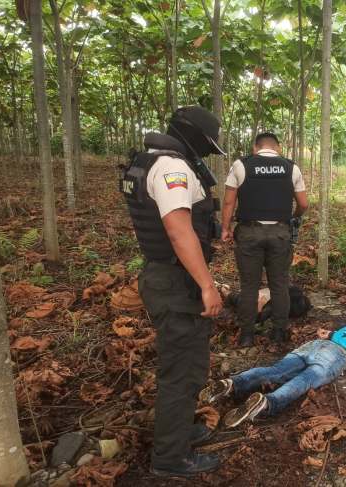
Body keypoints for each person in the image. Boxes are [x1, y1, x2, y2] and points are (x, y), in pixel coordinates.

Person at [120, 105, 225, 477]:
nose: (208, 154)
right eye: (208, 146)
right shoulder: (172, 168)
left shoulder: (146, 161)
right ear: (194, 137)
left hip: (164, 275)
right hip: (176, 281)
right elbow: (180, 231)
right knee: (183, 371)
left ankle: (178, 434)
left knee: (186, 365)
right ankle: (170, 458)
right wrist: (207, 286)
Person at [201, 321, 346, 426]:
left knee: (276, 370)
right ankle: (268, 403)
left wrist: (332, 335)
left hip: (313, 346)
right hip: (336, 354)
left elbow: (336, 335)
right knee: (306, 379)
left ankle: (233, 383)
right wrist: (336, 337)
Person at [220, 133, 308, 348]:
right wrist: (293, 217)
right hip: (280, 233)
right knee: (279, 284)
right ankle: (279, 332)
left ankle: (247, 335)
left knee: (249, 286)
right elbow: (304, 204)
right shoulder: (291, 167)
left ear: (255, 148)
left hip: (249, 233)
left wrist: (225, 228)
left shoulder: (241, 165)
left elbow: (229, 202)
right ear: (277, 148)